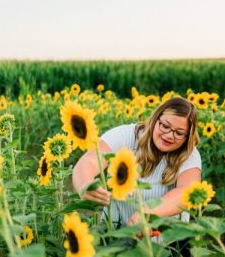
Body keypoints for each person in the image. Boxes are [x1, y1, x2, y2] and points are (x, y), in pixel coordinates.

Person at [72, 97, 201, 234]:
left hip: (166, 248)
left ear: (188, 137)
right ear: (155, 119)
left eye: (179, 133)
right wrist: (85, 184)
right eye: (165, 126)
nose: (169, 135)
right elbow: (90, 160)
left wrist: (148, 212)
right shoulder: (128, 135)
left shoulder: (189, 154)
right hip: (114, 237)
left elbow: (186, 192)